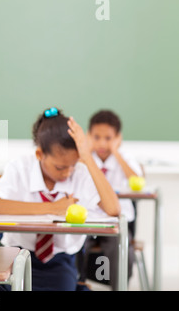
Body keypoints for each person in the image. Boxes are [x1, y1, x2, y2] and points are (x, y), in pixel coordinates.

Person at [0, 107, 120, 291]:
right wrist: (52, 208)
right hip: (16, 256)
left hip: (60, 261)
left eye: (72, 165)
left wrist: (87, 157)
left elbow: (113, 209)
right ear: (40, 154)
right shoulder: (20, 167)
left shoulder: (81, 173)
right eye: (60, 167)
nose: (67, 173)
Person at [78, 109, 142, 290]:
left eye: (108, 138)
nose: (102, 143)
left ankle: (119, 287)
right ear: (88, 136)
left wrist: (117, 153)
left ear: (118, 138)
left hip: (117, 222)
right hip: (89, 219)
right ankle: (80, 285)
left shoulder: (125, 159)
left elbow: (138, 181)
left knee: (121, 251)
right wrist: (86, 153)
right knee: (76, 246)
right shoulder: (84, 160)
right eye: (96, 137)